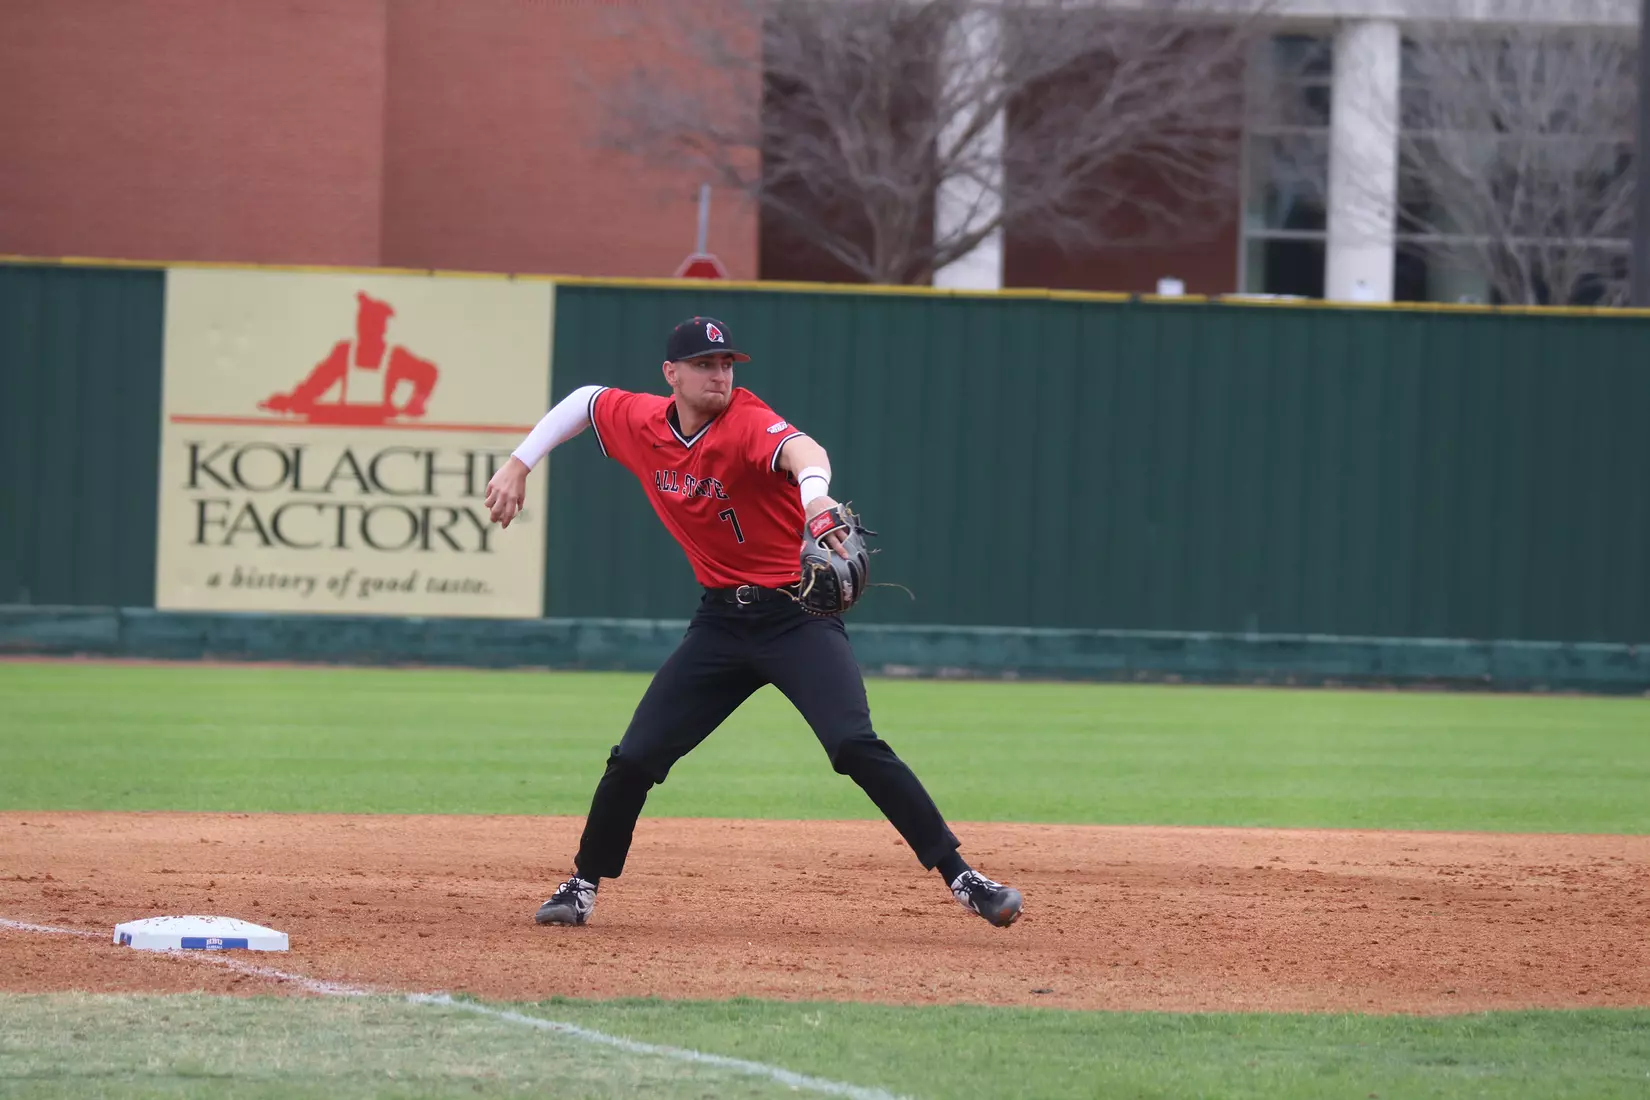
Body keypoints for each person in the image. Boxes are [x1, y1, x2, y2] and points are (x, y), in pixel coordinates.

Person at [484, 315, 1023, 929]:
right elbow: (584, 401)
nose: (720, 375)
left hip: (796, 619)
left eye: (726, 364)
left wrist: (815, 496)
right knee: (634, 758)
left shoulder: (745, 420)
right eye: (704, 365)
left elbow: (804, 451)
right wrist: (519, 463)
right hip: (720, 624)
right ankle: (582, 884)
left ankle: (965, 879)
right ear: (671, 374)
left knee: (853, 744)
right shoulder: (643, 422)